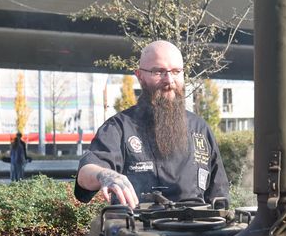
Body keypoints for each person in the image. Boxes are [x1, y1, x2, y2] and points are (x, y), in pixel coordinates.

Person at [75, 40, 229, 208]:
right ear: (140, 76)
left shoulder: (200, 129)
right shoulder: (119, 127)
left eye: (176, 71)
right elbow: (85, 174)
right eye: (158, 72)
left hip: (196, 230)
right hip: (138, 230)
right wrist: (105, 175)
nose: (169, 80)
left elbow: (219, 198)